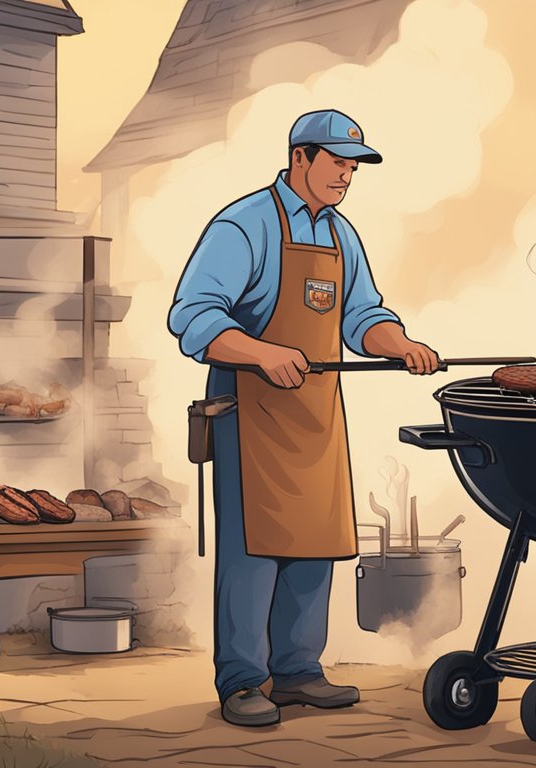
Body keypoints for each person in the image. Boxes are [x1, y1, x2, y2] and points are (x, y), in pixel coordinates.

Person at [168, 109, 441, 727]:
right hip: (250, 412)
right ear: (300, 159)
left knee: (316, 542)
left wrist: (399, 344)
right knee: (254, 551)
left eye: (353, 166)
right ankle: (242, 679)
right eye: (338, 162)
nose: (347, 175)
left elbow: (362, 315)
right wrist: (262, 353)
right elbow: (193, 316)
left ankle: (297, 671)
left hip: (316, 415)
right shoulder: (244, 226)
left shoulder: (342, 235)